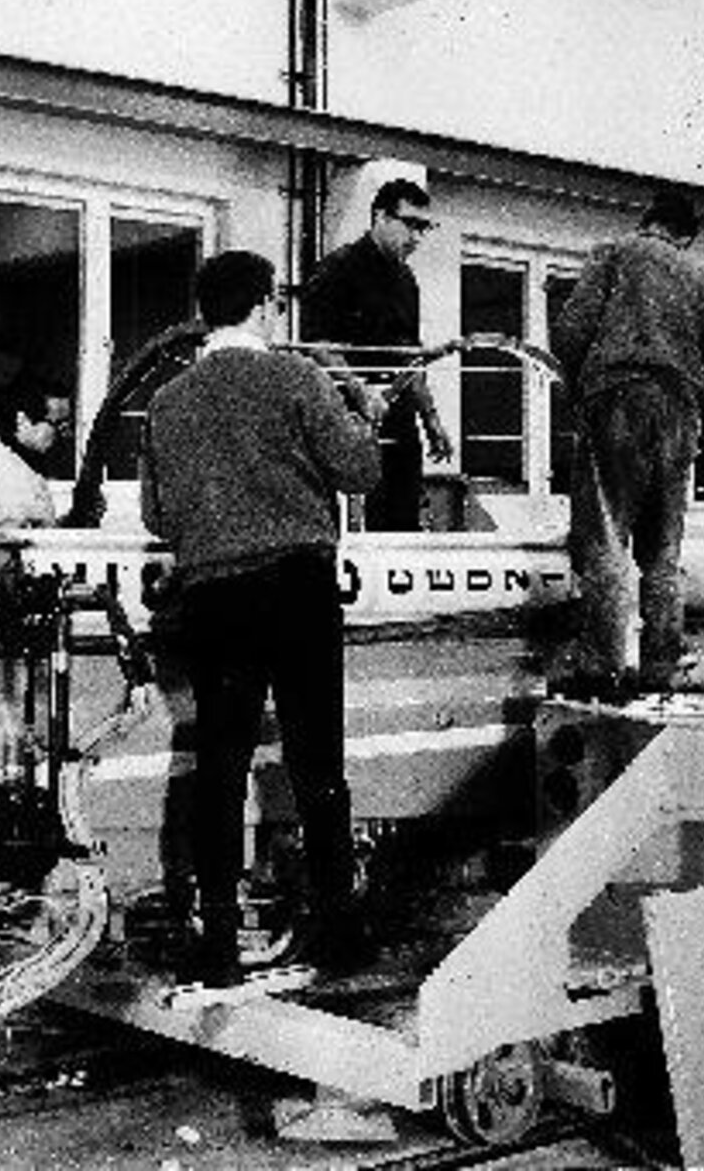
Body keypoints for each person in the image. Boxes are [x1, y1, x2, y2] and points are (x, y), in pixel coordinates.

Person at [141, 250, 386, 987]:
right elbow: (359, 471)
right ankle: (339, 930)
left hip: (211, 596)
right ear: (265, 306)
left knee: (219, 766)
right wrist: (362, 418)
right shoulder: (295, 376)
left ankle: (216, 943)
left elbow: (157, 513)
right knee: (317, 764)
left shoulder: (167, 401)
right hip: (296, 586)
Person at [551, 189, 704, 699]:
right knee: (664, 551)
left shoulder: (614, 253)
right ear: (684, 235)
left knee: (605, 534)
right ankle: (662, 666)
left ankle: (600, 667)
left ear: (647, 222)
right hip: (680, 409)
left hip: (619, 397)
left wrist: (579, 389)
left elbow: (572, 332)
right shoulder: (701, 281)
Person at [300, 177, 454, 531]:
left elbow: (410, 355)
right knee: (338, 522)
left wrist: (430, 419)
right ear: (380, 217)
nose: (416, 238)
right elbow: (317, 345)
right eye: (410, 225)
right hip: (342, 411)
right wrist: (358, 389)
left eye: (423, 228)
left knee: (401, 519)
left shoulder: (407, 281)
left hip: (396, 414)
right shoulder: (336, 269)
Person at [0, 373, 72, 530]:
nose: (62, 433)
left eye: (65, 424)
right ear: (22, 420)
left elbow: (40, 531)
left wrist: (74, 520)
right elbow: (17, 545)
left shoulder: (20, 460)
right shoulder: (4, 473)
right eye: (55, 423)